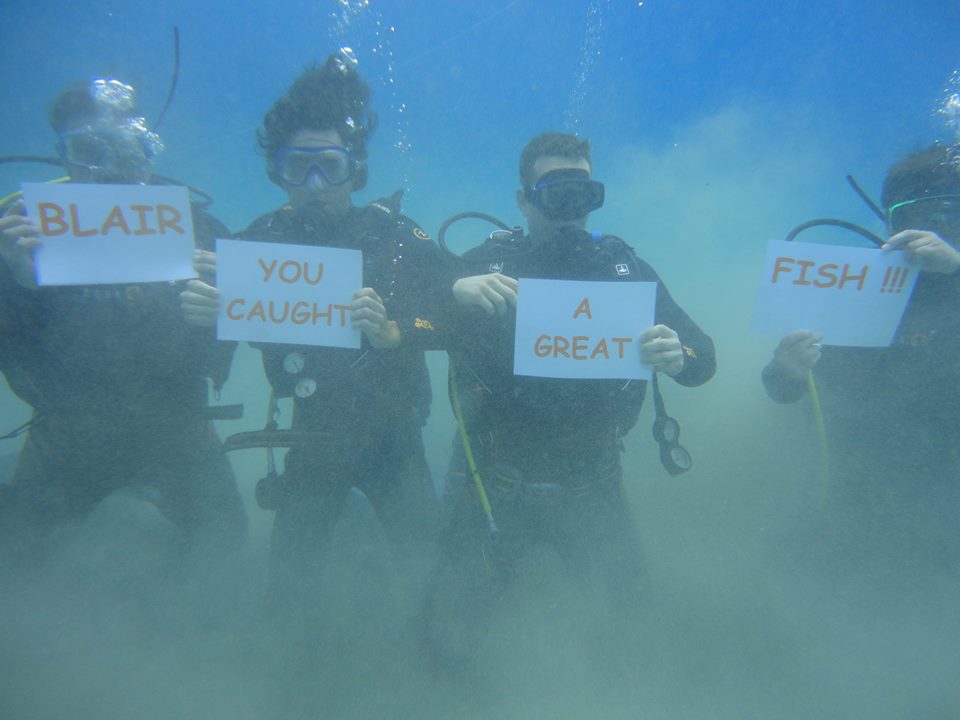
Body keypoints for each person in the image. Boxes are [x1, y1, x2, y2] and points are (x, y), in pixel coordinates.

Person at [421, 131, 716, 671]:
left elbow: (704, 359)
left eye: (584, 195)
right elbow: (411, 324)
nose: (571, 211)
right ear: (524, 200)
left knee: (633, 639)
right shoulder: (489, 263)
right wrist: (451, 291)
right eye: (555, 194)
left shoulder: (621, 268)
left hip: (594, 483)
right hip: (490, 484)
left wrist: (678, 353)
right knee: (444, 641)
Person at [182, 53, 451, 612]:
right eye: (294, 167)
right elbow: (214, 349)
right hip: (309, 437)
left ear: (355, 167)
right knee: (289, 587)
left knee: (432, 577)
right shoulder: (257, 243)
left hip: (394, 438)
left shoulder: (396, 236)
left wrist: (401, 330)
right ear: (276, 170)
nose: (312, 184)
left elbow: (450, 317)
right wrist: (206, 322)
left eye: (329, 166)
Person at [0, 78, 247, 573]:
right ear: (62, 157)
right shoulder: (18, 230)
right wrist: (18, 285)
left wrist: (220, 318)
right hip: (66, 426)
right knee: (20, 557)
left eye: (127, 151)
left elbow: (229, 346)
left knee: (225, 539)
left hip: (176, 424)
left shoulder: (197, 228)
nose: (109, 169)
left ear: (147, 152)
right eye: (88, 149)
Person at [762, 146, 960, 577]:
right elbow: (784, 390)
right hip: (864, 481)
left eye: (950, 214)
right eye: (915, 216)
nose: (936, 230)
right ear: (891, 220)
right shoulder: (858, 286)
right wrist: (786, 371)